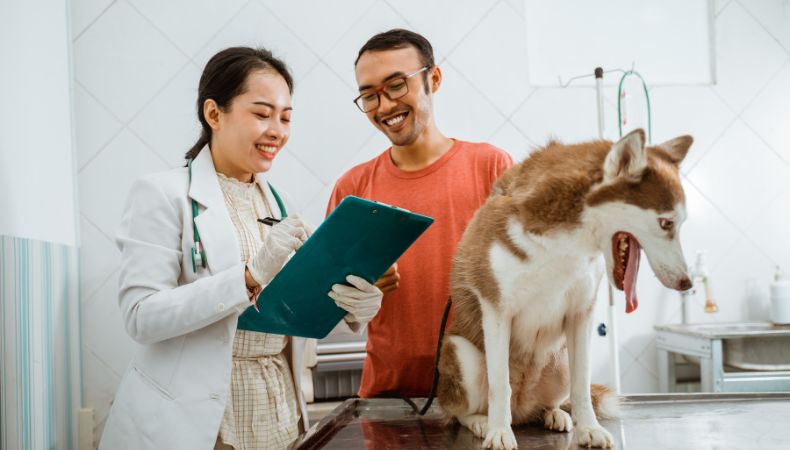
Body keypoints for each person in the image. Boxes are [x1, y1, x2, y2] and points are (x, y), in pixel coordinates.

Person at [100, 47, 383, 450]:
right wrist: (248, 275)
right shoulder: (162, 194)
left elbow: (288, 313)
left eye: (285, 117)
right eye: (262, 113)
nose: (278, 131)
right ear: (213, 114)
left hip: (277, 409)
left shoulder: (280, 203)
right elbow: (141, 316)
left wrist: (351, 308)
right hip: (200, 416)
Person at [327, 29, 514, 399]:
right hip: (390, 400)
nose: (383, 106)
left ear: (434, 79)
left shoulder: (492, 167)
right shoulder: (352, 189)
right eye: (369, 95)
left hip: (489, 397)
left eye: (396, 86)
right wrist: (357, 297)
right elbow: (334, 311)